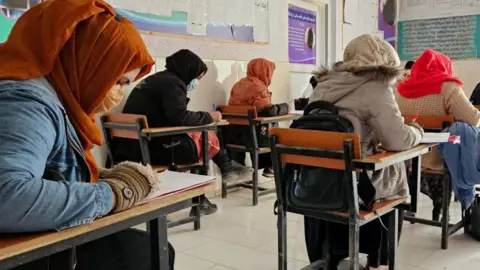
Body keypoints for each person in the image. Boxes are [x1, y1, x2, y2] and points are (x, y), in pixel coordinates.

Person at [0, 1, 176, 269]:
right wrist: (115, 194)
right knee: (147, 252)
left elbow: (42, 166)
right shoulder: (27, 102)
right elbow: (7, 196)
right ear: (85, 61)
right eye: (117, 81)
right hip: (34, 254)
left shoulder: (44, 92)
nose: (117, 93)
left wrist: (97, 177)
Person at [307, 34, 424, 269]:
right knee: (394, 172)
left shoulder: (323, 85)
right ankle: (378, 258)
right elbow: (398, 140)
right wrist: (417, 131)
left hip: (313, 184)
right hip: (356, 188)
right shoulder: (376, 87)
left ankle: (332, 251)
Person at [116, 49, 249, 215]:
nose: (196, 82)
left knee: (200, 136)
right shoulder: (172, 84)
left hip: (131, 148)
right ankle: (202, 197)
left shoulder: (155, 80)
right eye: (197, 78)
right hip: (152, 150)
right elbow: (180, 117)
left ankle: (225, 169)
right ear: (188, 70)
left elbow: (171, 117)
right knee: (207, 139)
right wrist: (210, 116)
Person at [396, 49, 480, 220]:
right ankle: (466, 197)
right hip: (440, 159)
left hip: (407, 157)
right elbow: (473, 119)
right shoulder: (448, 87)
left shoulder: (401, 88)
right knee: (467, 132)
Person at [227, 58, 289, 177]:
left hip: (232, 136)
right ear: (265, 71)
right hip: (252, 139)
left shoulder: (238, 84)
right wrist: (286, 107)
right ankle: (270, 166)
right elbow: (268, 111)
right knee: (274, 129)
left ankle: (265, 167)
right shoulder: (258, 87)